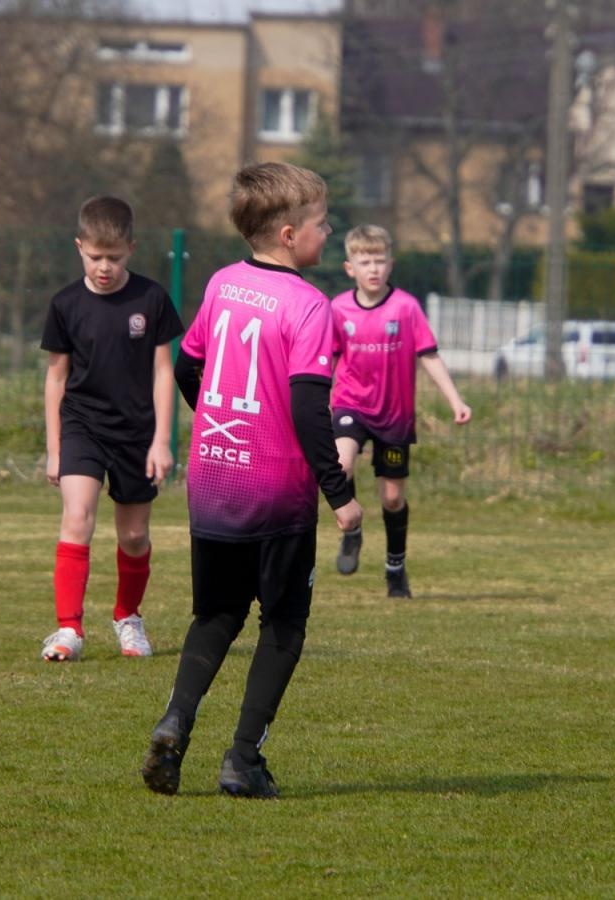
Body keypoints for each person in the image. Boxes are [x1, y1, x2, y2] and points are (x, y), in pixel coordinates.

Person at [141, 162, 363, 799]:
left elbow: (190, 369)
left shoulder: (222, 284)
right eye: (323, 223)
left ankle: (175, 722)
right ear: (291, 234)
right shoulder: (310, 306)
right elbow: (306, 409)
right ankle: (242, 760)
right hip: (276, 489)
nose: (330, 232)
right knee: (285, 622)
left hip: (213, 479)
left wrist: (216, 422)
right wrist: (341, 497)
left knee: (215, 614)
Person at [39, 195, 183, 662]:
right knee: (77, 518)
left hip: (136, 434)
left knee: (134, 537)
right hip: (82, 426)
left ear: (131, 249)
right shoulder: (65, 304)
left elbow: (164, 372)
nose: (104, 267)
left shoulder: (151, 299)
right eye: (95, 256)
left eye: (114, 258)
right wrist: (55, 447)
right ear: (79, 246)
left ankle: (127, 617)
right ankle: (68, 630)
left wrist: (161, 441)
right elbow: (56, 377)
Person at [328, 224, 472, 598]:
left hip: (394, 415)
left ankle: (395, 566)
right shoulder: (338, 308)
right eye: (365, 261)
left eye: (379, 260)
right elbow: (325, 361)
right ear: (350, 268)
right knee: (340, 465)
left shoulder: (405, 308)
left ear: (391, 264)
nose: (373, 268)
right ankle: (353, 528)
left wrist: (456, 401)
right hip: (350, 404)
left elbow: (429, 356)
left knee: (392, 498)